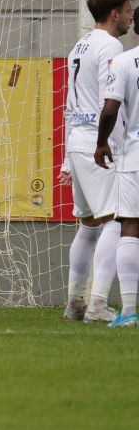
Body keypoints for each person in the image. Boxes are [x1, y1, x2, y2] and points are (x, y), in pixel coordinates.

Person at [60, 0, 134, 322]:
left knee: (88, 226)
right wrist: (112, 146)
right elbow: (110, 102)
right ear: (115, 13)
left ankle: (75, 301)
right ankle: (97, 304)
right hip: (97, 143)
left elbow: (69, 104)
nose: (132, 17)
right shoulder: (110, 45)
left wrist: (65, 158)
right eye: (129, 10)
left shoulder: (80, 44)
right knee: (116, 222)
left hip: (78, 140)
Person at [97, 44, 139, 327]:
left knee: (130, 225)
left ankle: (128, 311)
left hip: (135, 155)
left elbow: (110, 108)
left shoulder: (123, 61)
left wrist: (101, 143)